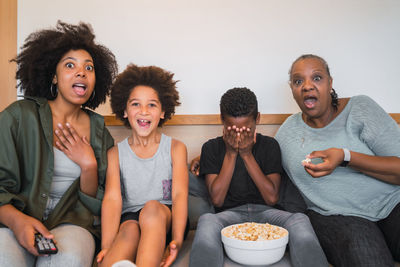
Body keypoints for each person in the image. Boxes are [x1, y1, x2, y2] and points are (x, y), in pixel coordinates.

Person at [0, 22, 118, 267]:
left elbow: (97, 204)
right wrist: (17, 221)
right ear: (53, 75)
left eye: (89, 67)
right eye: (70, 65)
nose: (81, 72)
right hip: (14, 219)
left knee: (70, 260)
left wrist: (88, 165)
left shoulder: (99, 132)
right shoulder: (19, 116)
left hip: (72, 223)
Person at [275, 54, 400, 266]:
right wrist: (215, 152)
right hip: (338, 217)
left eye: (316, 78)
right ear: (292, 90)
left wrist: (345, 157)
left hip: (393, 203)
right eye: (298, 81)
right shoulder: (286, 134)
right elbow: (260, 155)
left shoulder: (360, 109)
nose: (307, 86)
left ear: (330, 83)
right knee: (366, 257)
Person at [189, 87, 328, 267]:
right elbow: (217, 200)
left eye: (246, 129)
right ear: (222, 120)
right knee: (207, 220)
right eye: (232, 130)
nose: (239, 136)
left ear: (258, 119)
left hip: (267, 213)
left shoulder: (270, 146)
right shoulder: (211, 148)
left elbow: (271, 198)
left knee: (300, 219)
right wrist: (231, 154)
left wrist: (247, 155)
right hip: (228, 215)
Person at [96, 64, 189, 267]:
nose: (144, 111)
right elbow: (112, 199)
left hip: (164, 217)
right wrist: (107, 245)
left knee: (152, 208)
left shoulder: (176, 149)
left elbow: (180, 196)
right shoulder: (115, 154)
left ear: (163, 112)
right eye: (136, 104)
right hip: (130, 219)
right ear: (125, 111)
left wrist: (177, 240)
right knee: (129, 229)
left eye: (152, 105)